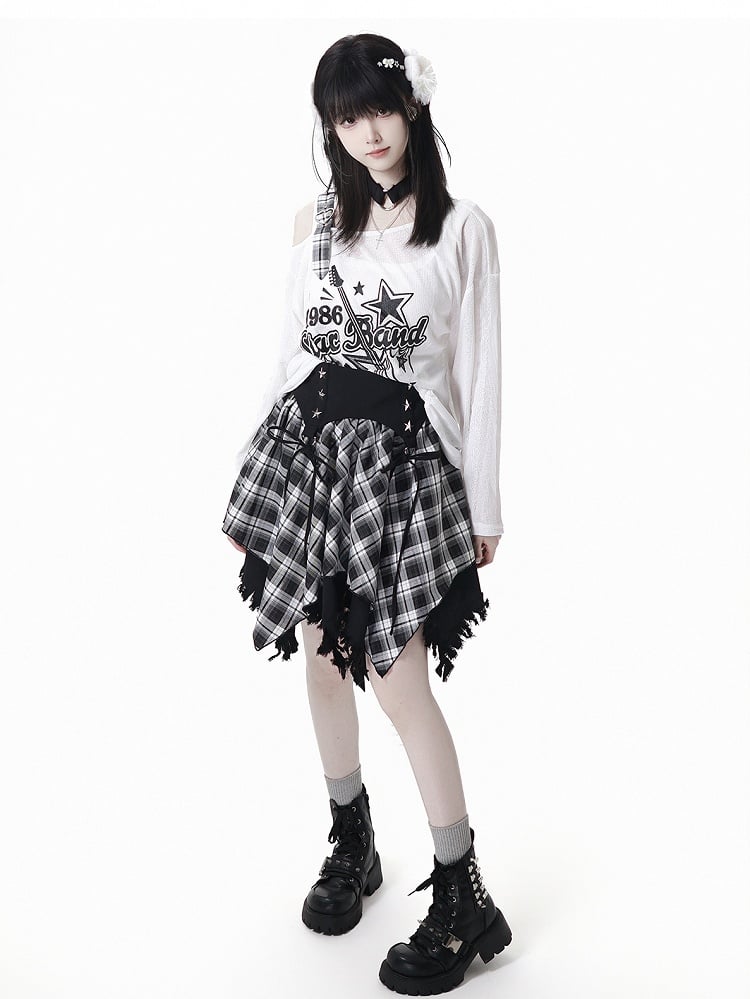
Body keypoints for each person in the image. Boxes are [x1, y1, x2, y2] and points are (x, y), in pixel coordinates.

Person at [221, 33, 511, 995]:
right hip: (312, 460)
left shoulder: (462, 228)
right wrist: (251, 478)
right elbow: (289, 355)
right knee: (318, 656)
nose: (367, 132)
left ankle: (463, 889)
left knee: (398, 680)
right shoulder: (312, 223)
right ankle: (353, 838)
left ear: (412, 106)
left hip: (401, 470)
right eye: (346, 118)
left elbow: (480, 374)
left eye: (378, 108)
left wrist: (483, 501)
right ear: (330, 129)